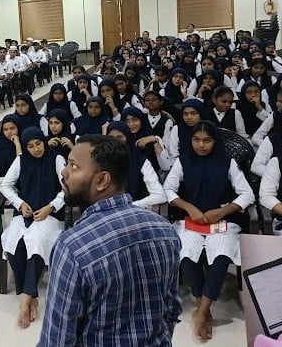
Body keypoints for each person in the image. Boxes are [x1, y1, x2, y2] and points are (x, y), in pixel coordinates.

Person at [38, 135, 181, 345]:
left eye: (74, 166)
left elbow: (58, 339)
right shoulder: (165, 231)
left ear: (102, 180)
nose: (64, 172)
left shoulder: (73, 247)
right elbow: (170, 309)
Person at [164, 120, 255, 341]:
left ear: (215, 141)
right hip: (191, 221)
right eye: (196, 140)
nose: (201, 145)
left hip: (221, 221)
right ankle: (202, 304)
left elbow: (247, 194)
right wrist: (188, 207)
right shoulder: (183, 161)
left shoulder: (227, 162)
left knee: (222, 255)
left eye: (207, 140)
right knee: (187, 253)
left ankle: (202, 310)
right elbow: (168, 188)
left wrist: (222, 211)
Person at [0, 127, 65, 329]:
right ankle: (31, 298)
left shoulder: (57, 159)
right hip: (26, 215)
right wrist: (20, 203)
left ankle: (24, 300)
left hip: (50, 216)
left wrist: (51, 206)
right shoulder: (21, 161)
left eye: (38, 143)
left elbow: (68, 188)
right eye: (30, 146)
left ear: (44, 141)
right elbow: (5, 185)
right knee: (12, 241)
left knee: (36, 241)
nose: (36, 149)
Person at [106, 121, 168, 210]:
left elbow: (160, 195)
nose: (115, 141)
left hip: (135, 212)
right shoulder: (102, 162)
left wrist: (131, 206)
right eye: (111, 138)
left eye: (119, 137)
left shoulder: (141, 161)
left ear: (127, 138)